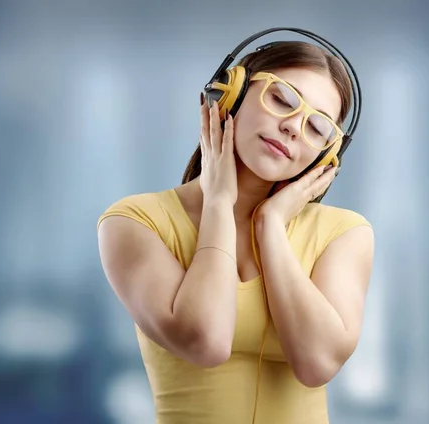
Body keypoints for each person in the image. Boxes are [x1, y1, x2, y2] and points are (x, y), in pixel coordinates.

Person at [97, 31, 374, 424]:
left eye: (317, 128)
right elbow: (206, 342)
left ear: (326, 157)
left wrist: (271, 226)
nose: (294, 128)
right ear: (231, 94)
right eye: (281, 99)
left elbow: (318, 364)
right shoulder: (136, 221)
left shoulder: (344, 234)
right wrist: (218, 205)